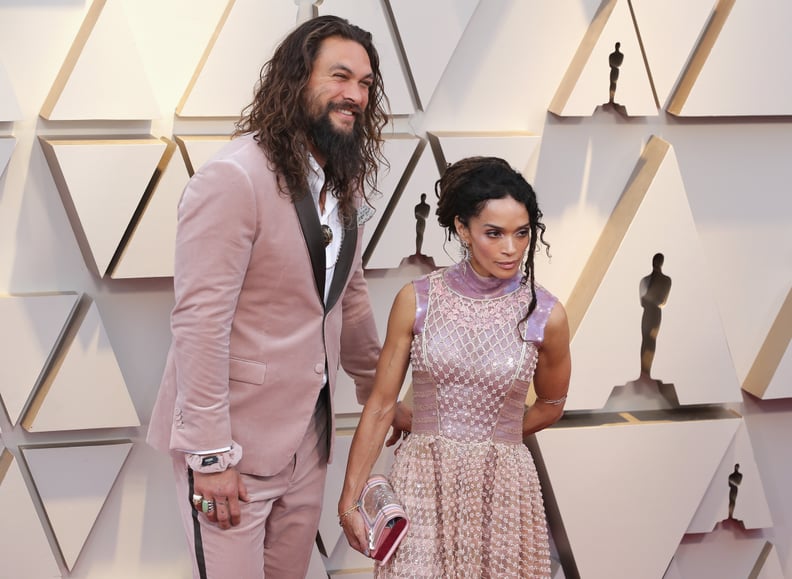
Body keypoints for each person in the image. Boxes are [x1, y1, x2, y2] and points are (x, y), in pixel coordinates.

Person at [147, 15, 408, 579]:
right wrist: (210, 456)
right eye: (341, 76)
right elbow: (199, 323)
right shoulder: (233, 179)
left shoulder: (342, 182)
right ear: (296, 80)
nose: (356, 95)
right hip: (232, 451)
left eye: (366, 83)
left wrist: (377, 391)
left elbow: (350, 295)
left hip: (307, 446)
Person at [338, 156, 572, 577]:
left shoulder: (546, 314)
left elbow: (552, 403)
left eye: (522, 233)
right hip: (423, 479)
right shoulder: (418, 299)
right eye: (494, 233)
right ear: (462, 229)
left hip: (503, 487)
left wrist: (487, 432)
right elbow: (380, 405)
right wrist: (349, 499)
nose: (511, 248)